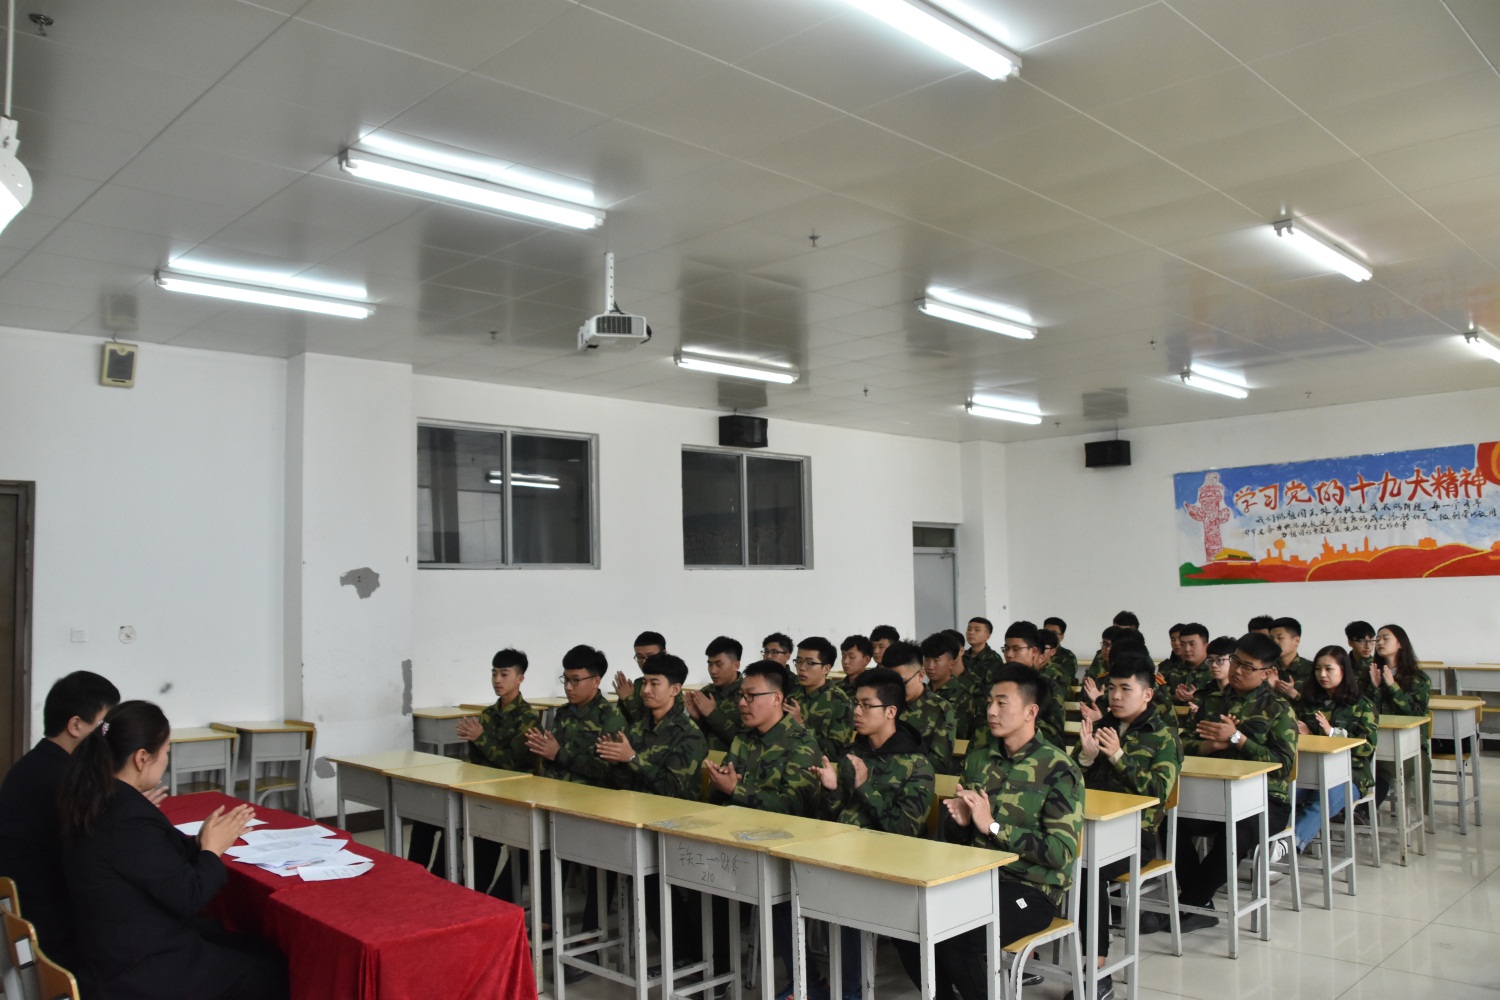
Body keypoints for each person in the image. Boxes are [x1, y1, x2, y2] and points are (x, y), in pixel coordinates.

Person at [60, 700, 288, 1000]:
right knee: (270, 971)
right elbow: (189, 896)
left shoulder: (99, 798)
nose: (166, 761)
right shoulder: (127, 818)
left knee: (246, 946)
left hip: (113, 949)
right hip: (138, 969)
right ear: (142, 758)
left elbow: (154, 862)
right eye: (166, 752)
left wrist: (201, 840)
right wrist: (211, 851)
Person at [896, 664, 1083, 1000]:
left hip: (1032, 890)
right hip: (976, 879)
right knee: (908, 927)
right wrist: (961, 824)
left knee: (962, 939)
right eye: (989, 702)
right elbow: (960, 842)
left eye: (1002, 703)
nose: (991, 711)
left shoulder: (1059, 769)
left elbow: (1061, 853)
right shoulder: (979, 761)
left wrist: (994, 827)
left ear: (1030, 712)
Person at [797, 667, 935, 1000]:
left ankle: (851, 993)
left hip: (889, 863)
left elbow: (904, 830)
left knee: (846, 895)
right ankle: (809, 984)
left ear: (890, 711)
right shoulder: (853, 753)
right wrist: (832, 789)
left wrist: (865, 787)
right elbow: (834, 816)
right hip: (844, 854)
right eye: (855, 704)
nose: (856, 712)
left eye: (866, 705)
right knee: (788, 890)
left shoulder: (916, 765)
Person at [704, 660, 821, 993]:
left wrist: (736, 789)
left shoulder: (801, 745)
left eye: (751, 696)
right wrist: (723, 785)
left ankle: (809, 982)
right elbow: (726, 794)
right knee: (701, 881)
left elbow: (792, 808)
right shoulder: (744, 739)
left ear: (777, 698)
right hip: (740, 840)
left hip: (787, 847)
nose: (742, 703)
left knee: (779, 904)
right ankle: (715, 972)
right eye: (741, 696)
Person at [1072, 653, 1180, 994]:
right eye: (1112, 688)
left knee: (1087, 871)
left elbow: (1158, 793)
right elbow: (1068, 782)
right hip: (1088, 828)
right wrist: (1086, 758)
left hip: (1135, 837)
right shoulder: (1102, 726)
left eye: (1125, 689)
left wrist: (1119, 757)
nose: (1115, 696)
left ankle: (1096, 967)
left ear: (1147, 694)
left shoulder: (1163, 737)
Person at [1173, 633, 1297, 931]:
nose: (1237, 671)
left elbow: (1284, 766)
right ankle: (1199, 905)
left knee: (1236, 833)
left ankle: (1190, 903)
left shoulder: (1278, 709)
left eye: (1248, 667)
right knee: (1169, 824)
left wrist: (1237, 739)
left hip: (1266, 801)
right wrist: (1208, 746)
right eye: (1236, 662)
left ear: (1267, 672)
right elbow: (1182, 744)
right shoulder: (1211, 699)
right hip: (1213, 795)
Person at [598, 653, 710, 977]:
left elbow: (673, 791)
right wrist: (616, 763)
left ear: (675, 689)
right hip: (640, 823)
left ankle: (690, 957)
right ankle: (680, 955)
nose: (645, 690)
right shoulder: (636, 729)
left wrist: (632, 758)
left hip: (677, 827)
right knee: (646, 888)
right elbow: (623, 786)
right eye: (644, 683)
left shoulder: (688, 734)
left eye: (654, 683)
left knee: (666, 892)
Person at [0, 670, 120, 968]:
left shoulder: (32, 764)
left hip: (21, 913)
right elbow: (89, 864)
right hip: (50, 929)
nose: (108, 737)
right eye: (104, 726)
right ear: (76, 725)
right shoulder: (64, 782)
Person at [447, 647, 538, 889]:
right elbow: (477, 762)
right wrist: (476, 740)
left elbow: (511, 763)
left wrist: (481, 738)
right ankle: (471, 891)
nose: (497, 680)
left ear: (520, 679)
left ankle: (499, 896)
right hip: (488, 791)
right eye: (494, 673)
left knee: (507, 847)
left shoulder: (527, 717)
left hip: (517, 794)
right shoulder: (488, 715)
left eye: (504, 674)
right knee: (477, 842)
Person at [1293, 647, 1376, 851]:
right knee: (1279, 792)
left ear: (1343, 671)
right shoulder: (1307, 703)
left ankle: (1289, 844)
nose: (1322, 674)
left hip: (1351, 774)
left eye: (1329, 669)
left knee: (1325, 796)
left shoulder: (1362, 705)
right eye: (1318, 669)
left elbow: (1366, 747)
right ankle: (1268, 839)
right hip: (1309, 771)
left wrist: (1331, 734)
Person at [1369, 623, 1431, 804]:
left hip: (1409, 747)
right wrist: (1375, 688)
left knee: (1383, 767)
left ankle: (1363, 812)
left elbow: (1416, 713)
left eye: (1385, 638)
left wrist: (1392, 686)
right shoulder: (1372, 674)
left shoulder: (1418, 678)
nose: (1380, 642)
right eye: (1377, 639)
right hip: (1376, 743)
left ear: (1400, 644)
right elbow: (1367, 712)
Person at [883, 640, 955, 773]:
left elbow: (939, 763)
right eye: (888, 683)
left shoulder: (940, 709)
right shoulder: (881, 705)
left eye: (902, 683)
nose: (894, 690)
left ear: (921, 675)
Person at [787, 636, 855, 759]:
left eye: (810, 663)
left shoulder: (840, 702)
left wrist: (801, 725)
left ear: (826, 669)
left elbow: (835, 752)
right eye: (799, 661)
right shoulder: (791, 693)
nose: (802, 668)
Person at [685, 635, 744, 752]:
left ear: (736, 665)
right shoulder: (705, 693)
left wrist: (712, 714)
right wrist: (696, 719)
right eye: (710, 664)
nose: (713, 670)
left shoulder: (749, 695)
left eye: (719, 664)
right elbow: (690, 739)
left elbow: (746, 743)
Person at [923, 630, 980, 741]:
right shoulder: (921, 692)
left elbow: (960, 738)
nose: (930, 666)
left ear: (951, 663)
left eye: (936, 660)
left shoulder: (962, 696)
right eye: (927, 660)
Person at [614, 630, 669, 722]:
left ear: (664, 654)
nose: (644, 662)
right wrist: (623, 698)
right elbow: (621, 720)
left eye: (650, 656)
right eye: (640, 657)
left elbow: (655, 723)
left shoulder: (671, 684)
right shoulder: (638, 684)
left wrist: (628, 699)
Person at [1165, 623, 1211, 703]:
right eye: (1182, 644)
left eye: (1192, 644)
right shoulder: (1172, 670)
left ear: (1206, 646)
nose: (1187, 649)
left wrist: (1197, 697)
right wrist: (1176, 697)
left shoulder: (1215, 670)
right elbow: (1160, 698)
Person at [1270, 617, 1313, 701]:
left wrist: (1293, 694)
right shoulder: (1266, 669)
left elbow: (1317, 705)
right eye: (1271, 639)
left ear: (1296, 640)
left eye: (1280, 638)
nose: (1274, 642)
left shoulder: (1312, 670)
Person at [964, 616, 1003, 688]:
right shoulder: (961, 655)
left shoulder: (994, 659)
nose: (971, 632)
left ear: (987, 636)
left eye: (977, 630)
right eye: (969, 629)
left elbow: (991, 687)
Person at [1044, 617, 1081, 682]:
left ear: (1062, 637)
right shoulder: (1035, 652)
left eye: (1054, 633)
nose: (1049, 636)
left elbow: (1066, 680)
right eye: (1046, 632)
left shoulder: (1068, 656)